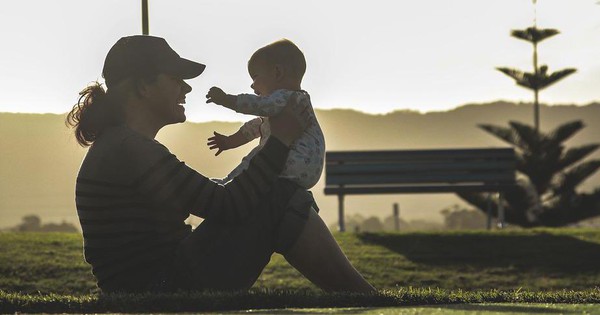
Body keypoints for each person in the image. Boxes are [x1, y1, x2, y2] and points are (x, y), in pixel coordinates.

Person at [67, 35, 375, 294]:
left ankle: (365, 298)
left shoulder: (121, 146)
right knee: (282, 195)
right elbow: (228, 205)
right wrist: (280, 140)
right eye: (176, 79)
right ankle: (368, 300)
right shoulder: (128, 149)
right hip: (163, 287)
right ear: (143, 87)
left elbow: (211, 197)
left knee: (280, 193)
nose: (186, 89)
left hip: (156, 282)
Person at [205, 39, 324, 190]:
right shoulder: (294, 103)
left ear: (277, 73)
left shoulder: (288, 97)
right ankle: (229, 183)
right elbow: (257, 127)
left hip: (292, 163)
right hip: (307, 172)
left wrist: (226, 99)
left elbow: (257, 105)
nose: (252, 85)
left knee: (255, 158)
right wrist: (229, 142)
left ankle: (229, 184)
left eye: (255, 77)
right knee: (259, 156)